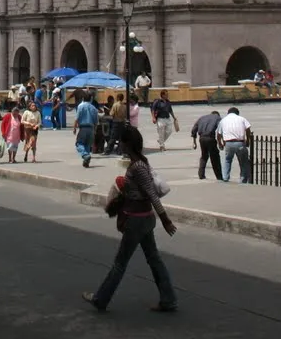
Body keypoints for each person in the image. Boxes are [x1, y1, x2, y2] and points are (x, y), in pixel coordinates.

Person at [83, 126, 177, 313]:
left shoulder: (138, 167)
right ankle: (168, 298)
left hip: (137, 220)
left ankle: (101, 299)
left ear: (127, 144)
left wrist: (165, 219)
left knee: (120, 263)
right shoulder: (140, 163)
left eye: (121, 142)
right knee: (153, 258)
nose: (120, 146)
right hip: (144, 219)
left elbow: (152, 194)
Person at [216, 107, 252, 184]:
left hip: (228, 143)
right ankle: (243, 179)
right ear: (237, 113)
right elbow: (248, 129)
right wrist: (248, 140)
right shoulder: (242, 119)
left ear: (228, 113)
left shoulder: (223, 120)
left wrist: (220, 143)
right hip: (240, 142)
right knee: (243, 161)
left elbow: (218, 134)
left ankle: (225, 177)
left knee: (227, 160)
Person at [191, 110, 223, 180]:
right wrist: (221, 142)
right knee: (215, 157)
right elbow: (220, 130)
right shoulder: (218, 118)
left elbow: (194, 129)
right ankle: (219, 176)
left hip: (201, 138)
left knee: (204, 156)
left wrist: (194, 142)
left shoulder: (202, 118)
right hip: (210, 138)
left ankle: (201, 174)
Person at [74, 90, 99, 168]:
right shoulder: (94, 108)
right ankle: (86, 162)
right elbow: (96, 121)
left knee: (79, 144)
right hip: (91, 128)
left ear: (83, 98)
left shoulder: (81, 106)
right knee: (88, 145)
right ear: (91, 99)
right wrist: (94, 130)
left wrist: (74, 128)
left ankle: (85, 155)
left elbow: (77, 118)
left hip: (83, 128)